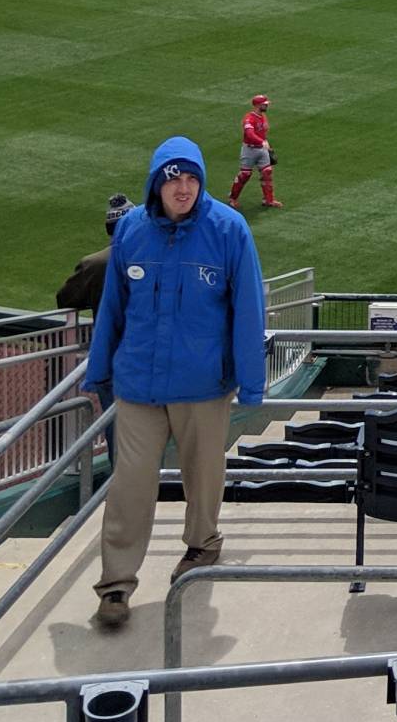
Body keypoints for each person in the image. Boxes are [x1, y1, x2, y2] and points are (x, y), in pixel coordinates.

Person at [84, 137, 267, 631]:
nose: (182, 188)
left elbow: (249, 308)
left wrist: (252, 384)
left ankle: (202, 544)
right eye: (173, 178)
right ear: (156, 182)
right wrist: (96, 369)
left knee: (203, 474)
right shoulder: (132, 232)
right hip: (138, 383)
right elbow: (113, 310)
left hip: (204, 384)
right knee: (130, 482)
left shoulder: (229, 229)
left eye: (191, 179)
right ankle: (116, 584)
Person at [58, 196, 133, 312]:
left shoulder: (93, 264)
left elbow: (65, 299)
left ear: (109, 229)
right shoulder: (161, 254)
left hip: (109, 329)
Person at [227, 94, 280, 210]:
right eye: (264, 104)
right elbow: (249, 134)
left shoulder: (263, 117)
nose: (266, 106)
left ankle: (268, 200)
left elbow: (263, 133)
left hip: (262, 149)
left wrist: (267, 144)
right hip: (249, 150)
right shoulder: (249, 118)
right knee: (245, 175)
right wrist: (262, 142)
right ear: (257, 105)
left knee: (267, 172)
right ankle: (232, 198)